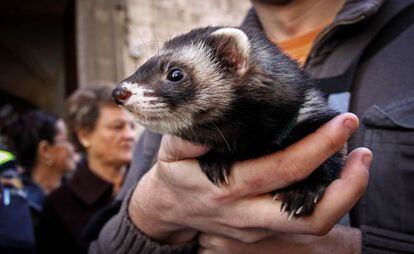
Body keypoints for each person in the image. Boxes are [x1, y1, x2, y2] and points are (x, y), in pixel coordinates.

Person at [90, 0, 414, 252]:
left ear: (233, 61)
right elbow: (97, 245)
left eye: (176, 77)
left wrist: (358, 249)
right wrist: (151, 214)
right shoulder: (180, 119)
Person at [36, 85, 137, 253]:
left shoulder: (149, 181)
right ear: (84, 136)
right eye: (117, 127)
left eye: (131, 126)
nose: (130, 136)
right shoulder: (59, 204)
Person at [4, 111, 77, 228]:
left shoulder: (76, 194)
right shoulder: (14, 201)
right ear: (45, 150)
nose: (72, 148)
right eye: (66, 140)